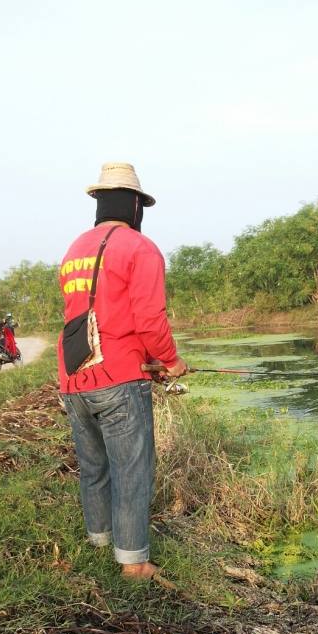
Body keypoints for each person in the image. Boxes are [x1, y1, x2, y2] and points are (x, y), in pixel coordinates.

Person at [57, 162, 189, 581]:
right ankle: (132, 562)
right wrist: (170, 361)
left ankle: (99, 541)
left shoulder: (75, 248)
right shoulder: (139, 247)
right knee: (132, 468)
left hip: (74, 378)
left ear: (99, 202)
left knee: (94, 465)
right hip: (117, 379)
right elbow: (150, 319)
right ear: (136, 205)